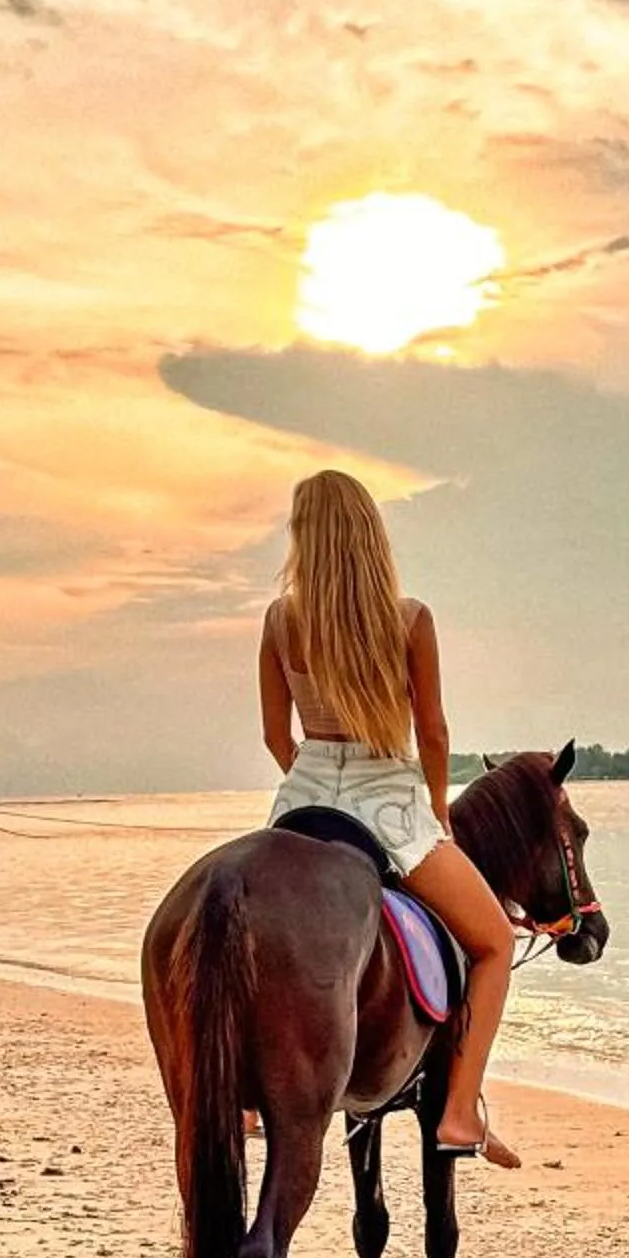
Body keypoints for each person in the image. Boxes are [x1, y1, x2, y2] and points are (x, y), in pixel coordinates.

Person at [259, 469, 519, 1168]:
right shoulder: (408, 619)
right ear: (371, 534)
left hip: (305, 796)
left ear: (303, 537)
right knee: (494, 942)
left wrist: (310, 781)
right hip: (389, 796)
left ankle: (255, 1102)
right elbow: (432, 731)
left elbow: (273, 736)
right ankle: (461, 1111)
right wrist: (435, 806)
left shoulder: (281, 619)